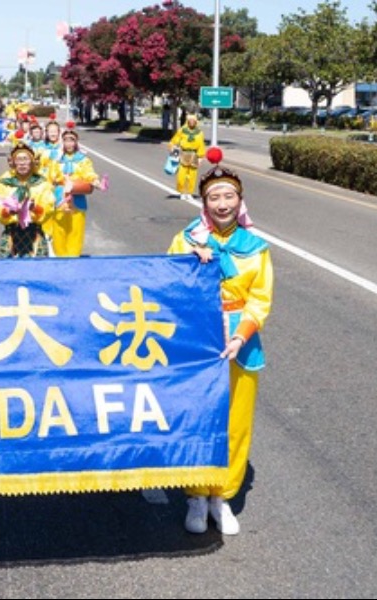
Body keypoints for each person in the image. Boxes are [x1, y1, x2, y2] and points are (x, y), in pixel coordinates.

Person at [167, 165, 273, 536]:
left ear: (240, 201)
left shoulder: (255, 248)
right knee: (199, 419)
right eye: (215, 197)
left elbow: (260, 301)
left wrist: (240, 336)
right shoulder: (185, 240)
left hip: (240, 344)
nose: (223, 203)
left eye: (230, 196)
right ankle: (196, 495)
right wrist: (190, 264)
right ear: (204, 202)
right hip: (199, 342)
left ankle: (222, 496)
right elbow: (168, 287)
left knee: (235, 422)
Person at [0, 136, 56, 258]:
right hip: (11, 234)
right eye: (18, 160)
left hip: (34, 234)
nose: (22, 163)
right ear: (13, 162)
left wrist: (34, 208)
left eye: (25, 159)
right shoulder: (4, 181)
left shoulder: (41, 182)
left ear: (32, 162)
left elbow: (49, 208)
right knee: (9, 273)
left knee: (37, 273)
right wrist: (8, 211)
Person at [50, 123, 107, 257]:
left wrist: (96, 182)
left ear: (76, 143)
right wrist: (60, 180)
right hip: (60, 198)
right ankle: (60, 258)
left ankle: (73, 257)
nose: (69, 143)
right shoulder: (57, 159)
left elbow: (89, 174)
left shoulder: (83, 160)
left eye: (72, 140)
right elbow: (50, 176)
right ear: (62, 142)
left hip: (78, 198)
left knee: (76, 230)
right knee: (59, 230)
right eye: (66, 140)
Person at [169, 113, 206, 201]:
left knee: (192, 176)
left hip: (194, 155)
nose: (192, 122)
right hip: (184, 154)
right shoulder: (182, 130)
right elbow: (175, 141)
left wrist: (201, 157)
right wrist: (172, 147)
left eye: (194, 120)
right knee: (182, 175)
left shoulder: (200, 132)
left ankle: (189, 193)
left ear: (196, 122)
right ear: (187, 121)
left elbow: (201, 145)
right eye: (190, 120)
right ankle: (182, 192)